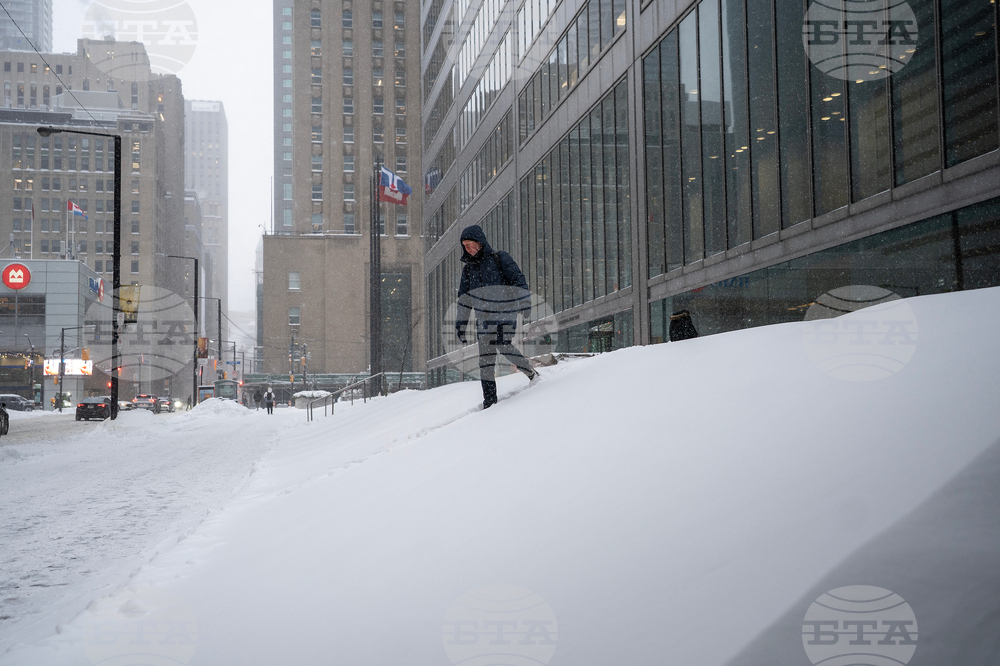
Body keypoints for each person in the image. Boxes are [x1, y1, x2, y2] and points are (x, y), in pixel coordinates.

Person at [455, 224, 538, 409]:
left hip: (505, 312)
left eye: (470, 244)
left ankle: (531, 374)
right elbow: (464, 300)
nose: (467, 248)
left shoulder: (499, 258)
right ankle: (490, 403)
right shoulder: (468, 270)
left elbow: (518, 279)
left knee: (502, 343)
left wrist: (525, 302)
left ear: (479, 241)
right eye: (464, 246)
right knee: (485, 361)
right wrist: (461, 324)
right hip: (483, 319)